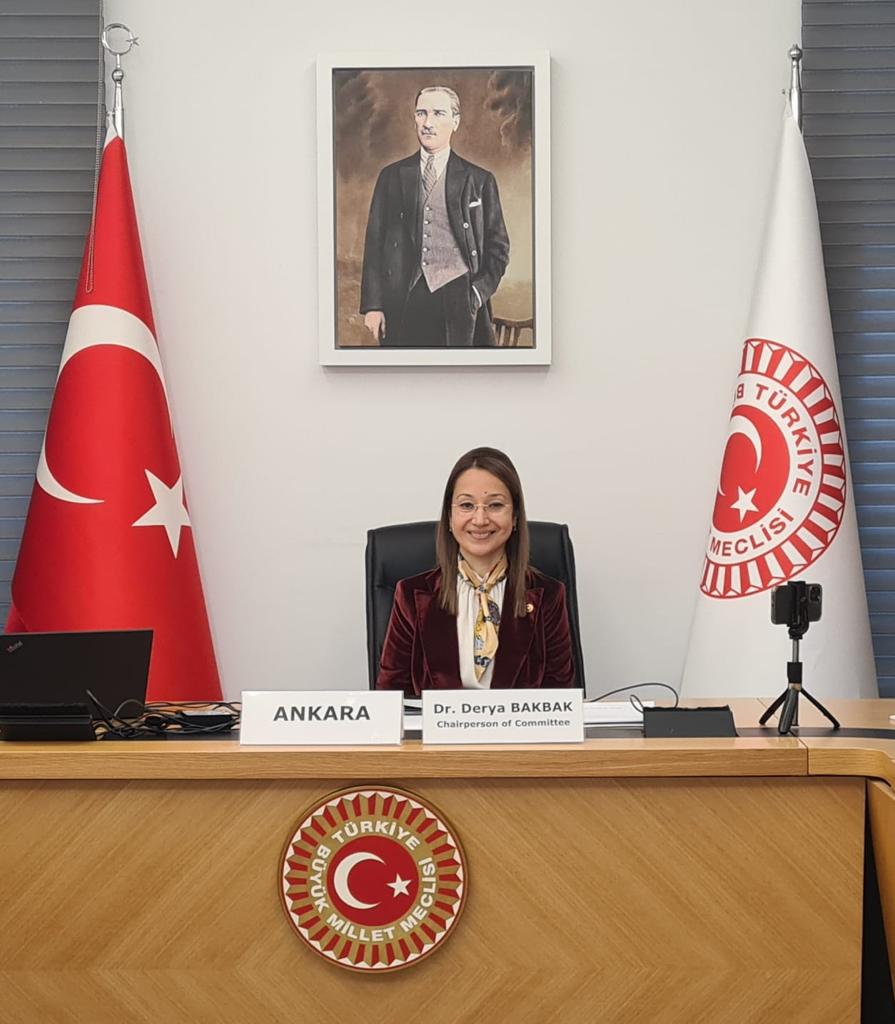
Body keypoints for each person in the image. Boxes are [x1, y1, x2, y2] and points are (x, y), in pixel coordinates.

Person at [376, 448, 575, 695]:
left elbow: (560, 701)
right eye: (467, 505)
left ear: (515, 517)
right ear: (450, 517)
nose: (480, 520)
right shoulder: (410, 595)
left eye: (495, 505)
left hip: (518, 722)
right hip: (435, 723)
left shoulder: (548, 596)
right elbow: (391, 699)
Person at [360, 86, 510, 348]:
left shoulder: (480, 180)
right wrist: (373, 306)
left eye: (438, 113)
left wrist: (477, 293)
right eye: (421, 113)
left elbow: (499, 248)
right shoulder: (391, 177)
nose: (428, 123)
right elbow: (374, 244)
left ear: (455, 121)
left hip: (460, 302)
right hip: (403, 300)